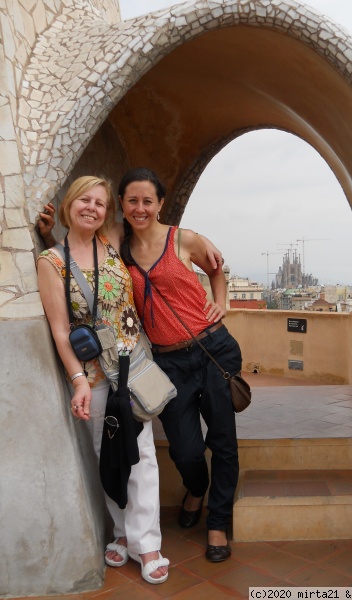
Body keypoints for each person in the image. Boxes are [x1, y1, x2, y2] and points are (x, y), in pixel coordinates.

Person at [37, 176, 169, 585]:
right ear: (68, 204)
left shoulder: (111, 239)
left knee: (142, 455)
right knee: (108, 455)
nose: (92, 208)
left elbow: (144, 213)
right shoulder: (52, 262)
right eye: (84, 200)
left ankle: (147, 543)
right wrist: (77, 379)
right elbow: (61, 331)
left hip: (134, 366)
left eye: (99, 203)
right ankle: (122, 532)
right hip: (95, 374)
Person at [117, 168, 242, 562]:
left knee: (222, 441)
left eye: (147, 201)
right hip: (168, 363)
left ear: (159, 204)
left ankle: (218, 523)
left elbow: (217, 267)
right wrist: (49, 233)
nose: (140, 208)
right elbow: (81, 257)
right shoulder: (118, 249)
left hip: (212, 350)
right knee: (185, 450)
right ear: (122, 204)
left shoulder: (182, 238)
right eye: (132, 200)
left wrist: (220, 300)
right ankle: (197, 486)